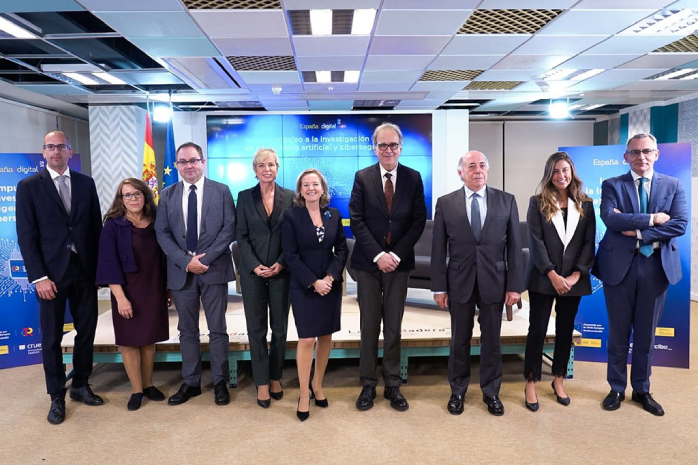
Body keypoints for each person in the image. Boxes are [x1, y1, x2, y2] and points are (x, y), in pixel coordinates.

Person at [593, 133, 687, 416]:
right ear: (626, 157)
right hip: (619, 267)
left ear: (656, 154)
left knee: (646, 335)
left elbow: (679, 224)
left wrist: (636, 230)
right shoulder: (612, 185)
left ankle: (642, 390)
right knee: (619, 333)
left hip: (656, 267)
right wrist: (653, 218)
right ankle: (616, 388)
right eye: (635, 152)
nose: (641, 157)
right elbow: (610, 218)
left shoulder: (674, 185)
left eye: (647, 151)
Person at [16, 130, 103, 425]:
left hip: (84, 271)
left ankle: (80, 384)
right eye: (50, 147)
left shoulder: (85, 183)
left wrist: (100, 270)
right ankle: (56, 395)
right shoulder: (28, 187)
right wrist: (39, 277)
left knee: (87, 330)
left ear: (69, 150)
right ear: (43, 152)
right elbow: (27, 237)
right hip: (50, 274)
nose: (55, 152)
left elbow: (95, 229)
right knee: (52, 338)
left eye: (61, 147)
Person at [431, 150, 524, 417]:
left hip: (495, 281)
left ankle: (491, 392)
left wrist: (514, 285)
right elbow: (439, 249)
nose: (478, 170)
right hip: (459, 281)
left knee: (492, 341)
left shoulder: (506, 201)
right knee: (459, 340)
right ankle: (457, 391)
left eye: (482, 165)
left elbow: (515, 247)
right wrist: (439, 287)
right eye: (471, 166)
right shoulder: (446, 203)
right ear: (461, 172)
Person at [349, 122, 427, 412]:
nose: (388, 150)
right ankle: (368, 383)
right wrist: (379, 255)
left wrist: (394, 254)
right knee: (369, 325)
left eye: (393, 145)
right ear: (374, 148)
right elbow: (356, 220)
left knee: (393, 326)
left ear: (401, 147)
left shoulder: (413, 177)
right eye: (382, 145)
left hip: (400, 263)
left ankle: (392, 383)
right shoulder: (362, 177)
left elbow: (418, 220)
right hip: (368, 265)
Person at [155, 142, 236, 406]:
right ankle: (191, 382)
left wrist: (205, 259)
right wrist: (186, 262)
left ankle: (220, 381)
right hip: (181, 272)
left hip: (213, 269)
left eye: (193, 160)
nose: (188, 166)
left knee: (217, 329)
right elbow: (162, 233)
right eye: (183, 162)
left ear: (203, 161)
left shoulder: (222, 191)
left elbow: (228, 229)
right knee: (186, 330)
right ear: (177, 165)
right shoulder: (167, 195)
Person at [523, 152, 596, 412]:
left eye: (565, 170)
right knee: (538, 331)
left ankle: (558, 379)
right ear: (548, 175)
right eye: (555, 171)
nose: (561, 176)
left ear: (572, 172)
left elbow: (588, 243)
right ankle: (531, 381)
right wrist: (552, 274)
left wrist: (577, 275)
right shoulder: (537, 202)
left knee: (565, 331)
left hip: (573, 280)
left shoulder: (585, 204)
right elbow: (535, 242)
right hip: (544, 278)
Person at [96, 178, 171, 411]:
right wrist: (121, 298)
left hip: (153, 287)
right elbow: (108, 263)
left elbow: (166, 258)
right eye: (127, 195)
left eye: (137, 194)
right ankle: (137, 390)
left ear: (145, 196)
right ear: (121, 199)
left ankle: (149, 385)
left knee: (149, 340)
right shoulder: (113, 225)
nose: (133, 199)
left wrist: (168, 289)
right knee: (129, 342)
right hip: (127, 290)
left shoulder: (157, 221)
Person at [281, 168, 348, 421]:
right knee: (307, 339)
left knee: (326, 336)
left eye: (315, 184)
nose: (311, 188)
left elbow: (341, 250)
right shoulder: (291, 216)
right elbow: (290, 255)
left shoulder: (334, 214)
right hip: (304, 285)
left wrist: (329, 278)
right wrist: (313, 282)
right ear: (300, 190)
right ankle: (303, 394)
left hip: (330, 285)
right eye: (306, 185)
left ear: (322, 188)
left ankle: (317, 384)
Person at [236, 148, 294, 408]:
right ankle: (261, 381)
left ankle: (275, 377)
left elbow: (294, 237)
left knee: (279, 330)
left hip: (282, 273)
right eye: (262, 165)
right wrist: (254, 265)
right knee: (256, 329)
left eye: (271, 164)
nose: (267, 169)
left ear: (278, 168)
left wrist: (281, 263)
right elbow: (242, 237)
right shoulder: (244, 197)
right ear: (255, 169)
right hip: (253, 275)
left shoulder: (291, 197)